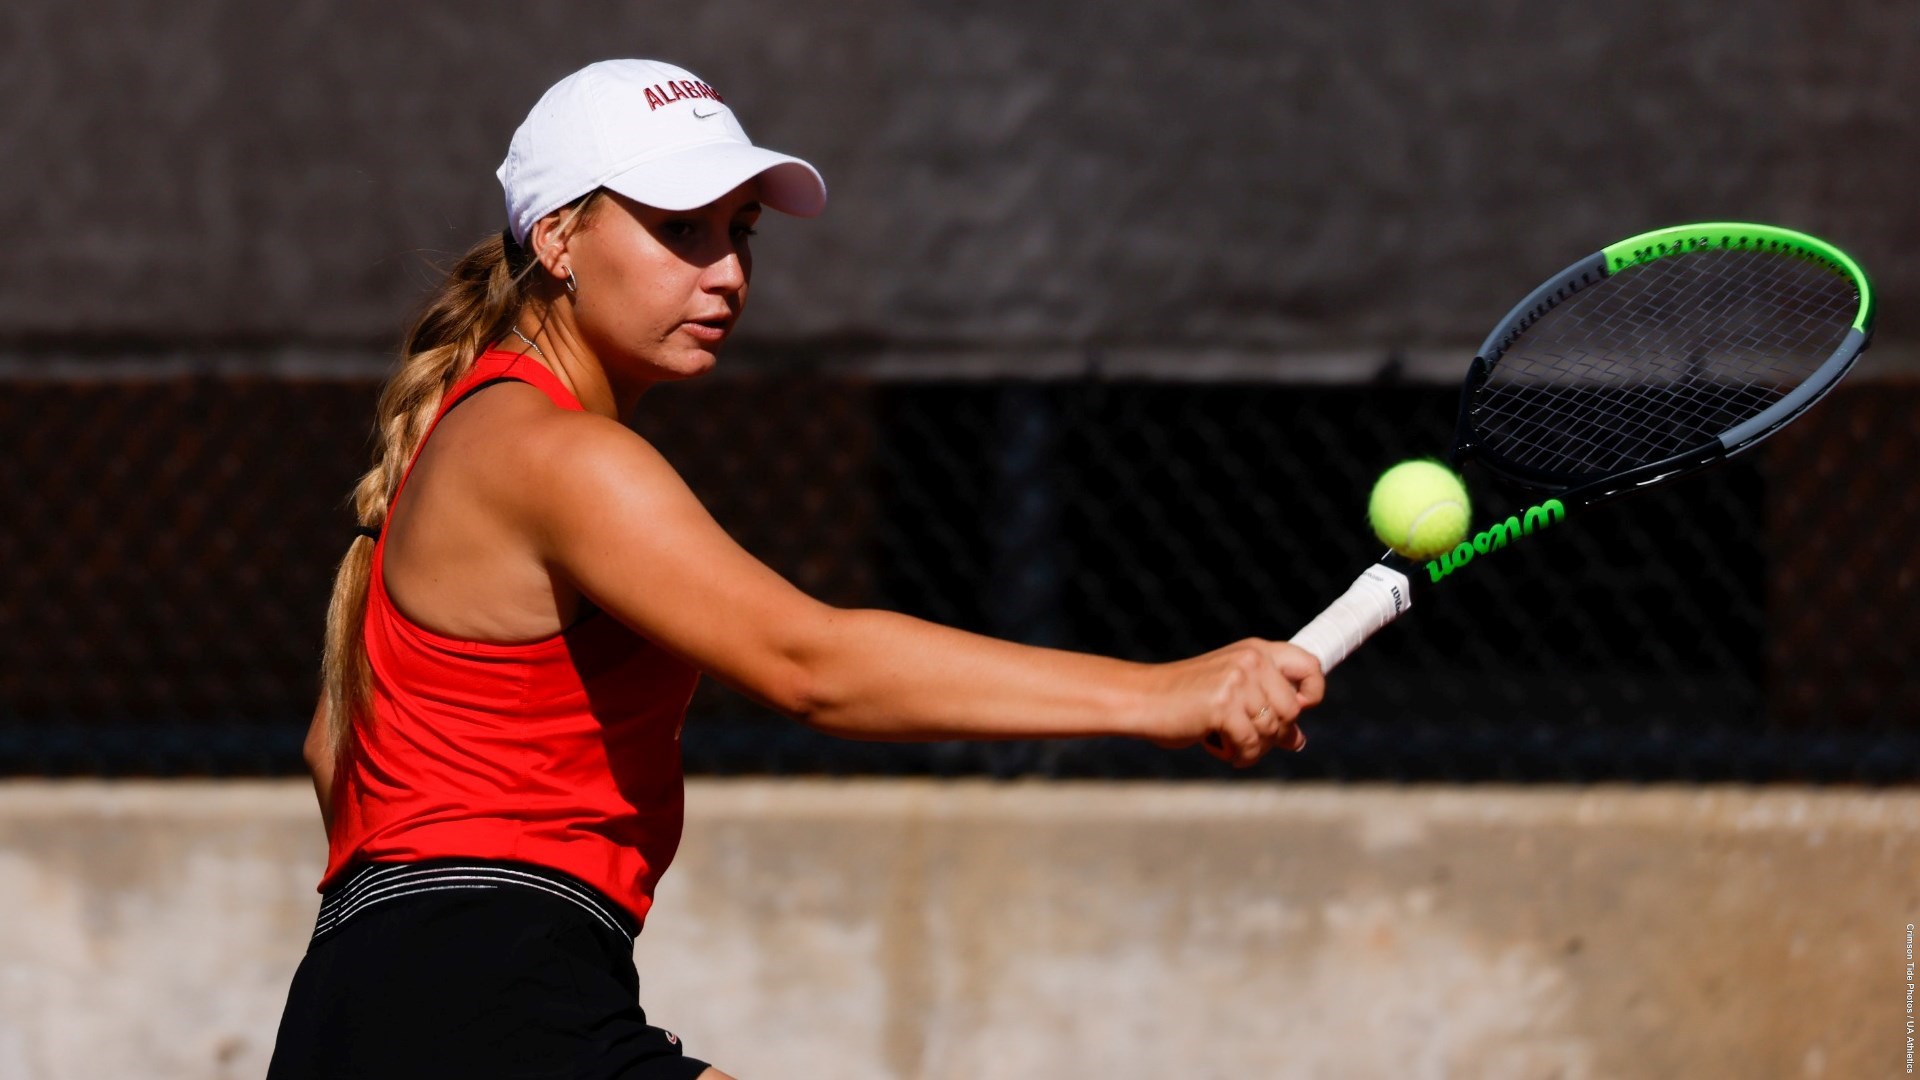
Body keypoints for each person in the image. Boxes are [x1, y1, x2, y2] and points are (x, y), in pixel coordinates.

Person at [267, 58, 1324, 1080]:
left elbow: (334, 746)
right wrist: (1166, 694)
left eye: (740, 233)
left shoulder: (465, 435)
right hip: (484, 997)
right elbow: (810, 663)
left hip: (371, 999)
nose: (726, 271)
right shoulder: (562, 456)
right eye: (678, 229)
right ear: (558, 239)